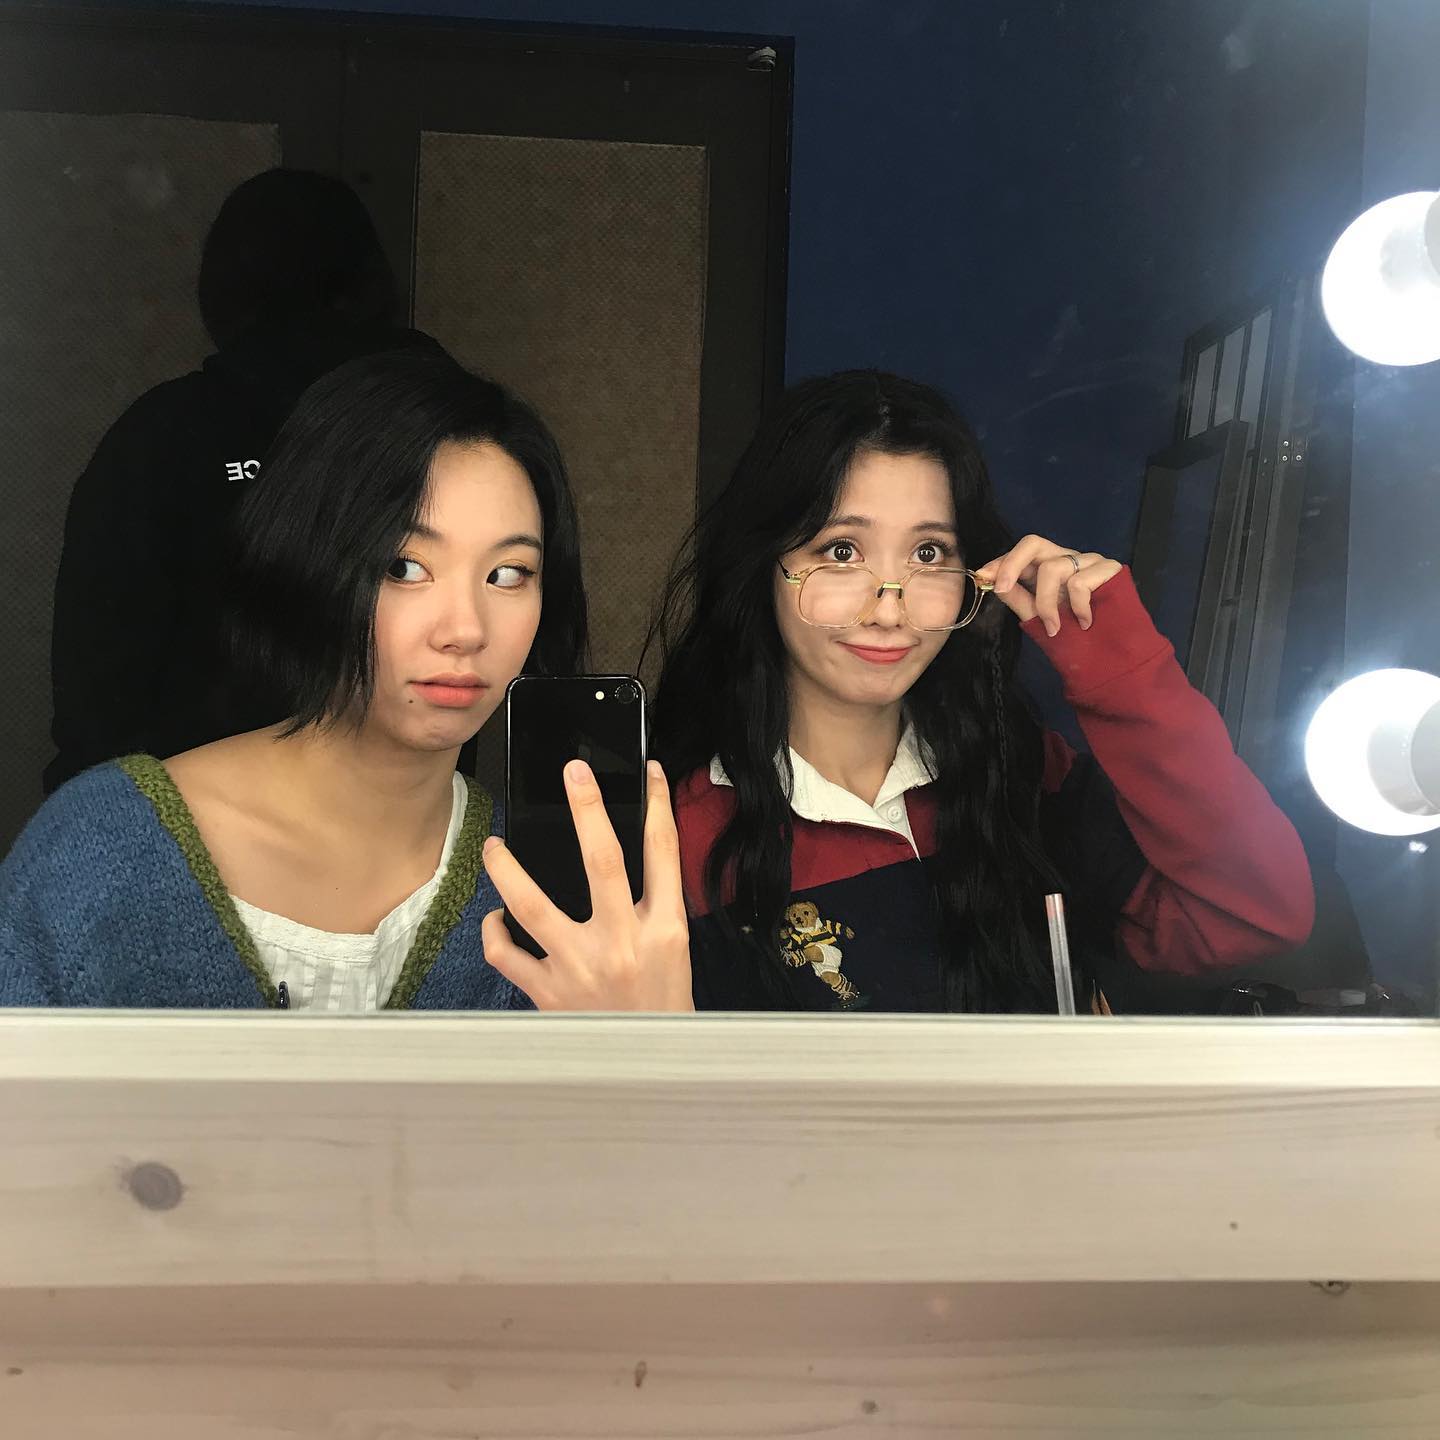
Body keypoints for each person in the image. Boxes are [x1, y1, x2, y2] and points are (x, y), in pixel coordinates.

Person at [2, 349, 692, 1012]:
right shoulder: (96, 852)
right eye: (403, 568)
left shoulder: (557, 895)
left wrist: (650, 1037)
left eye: (508, 574)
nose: (465, 629)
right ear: (306, 566)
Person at [650, 370, 1315, 1012]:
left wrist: (1119, 664)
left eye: (929, 554)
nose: (890, 610)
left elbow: (1255, 914)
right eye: (842, 551)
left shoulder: (1023, 774)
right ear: (764, 564)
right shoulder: (671, 833)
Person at [45, 168, 440, 792]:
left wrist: (99, 819)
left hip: (192, 810)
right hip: (407, 809)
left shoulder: (164, 436)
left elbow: (98, 677)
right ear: (371, 283)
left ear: (222, 290)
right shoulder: (448, 428)